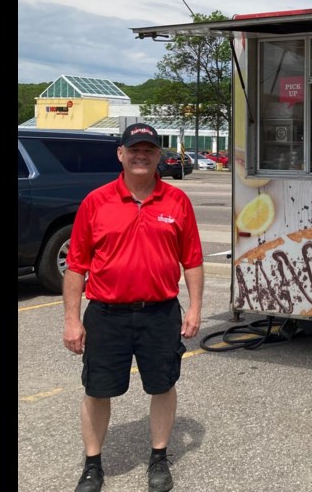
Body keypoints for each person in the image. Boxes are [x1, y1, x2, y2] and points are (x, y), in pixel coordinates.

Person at [62, 123, 204, 492]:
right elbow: (76, 265)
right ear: (121, 154)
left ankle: (159, 457)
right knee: (97, 389)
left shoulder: (177, 201)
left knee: (162, 385)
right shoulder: (96, 202)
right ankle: (93, 465)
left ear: (159, 155)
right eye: (134, 149)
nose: (142, 155)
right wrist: (72, 320)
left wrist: (194, 309)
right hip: (107, 315)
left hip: (160, 313)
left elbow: (192, 260)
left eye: (150, 149)